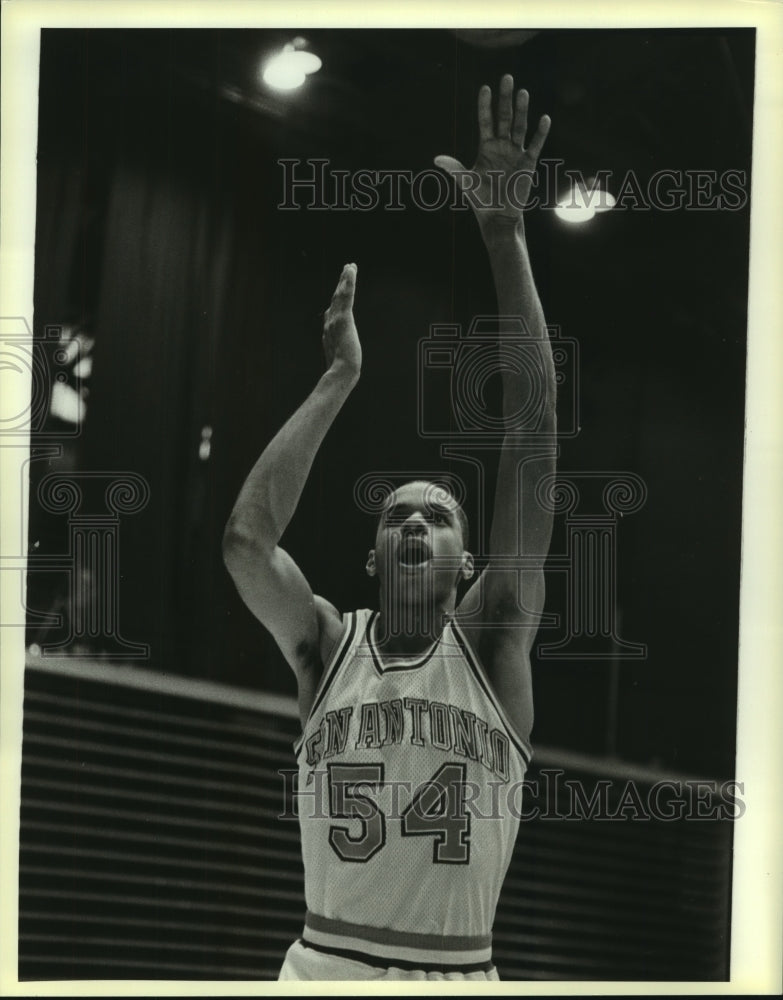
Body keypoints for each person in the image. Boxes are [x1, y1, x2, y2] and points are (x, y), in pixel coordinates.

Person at [223, 75, 555, 982]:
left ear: (466, 561)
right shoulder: (326, 645)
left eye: (438, 514)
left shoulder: (491, 642)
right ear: (371, 557)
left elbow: (529, 434)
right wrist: (337, 379)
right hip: (324, 968)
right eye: (396, 514)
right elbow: (248, 545)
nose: (415, 522)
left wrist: (504, 234)